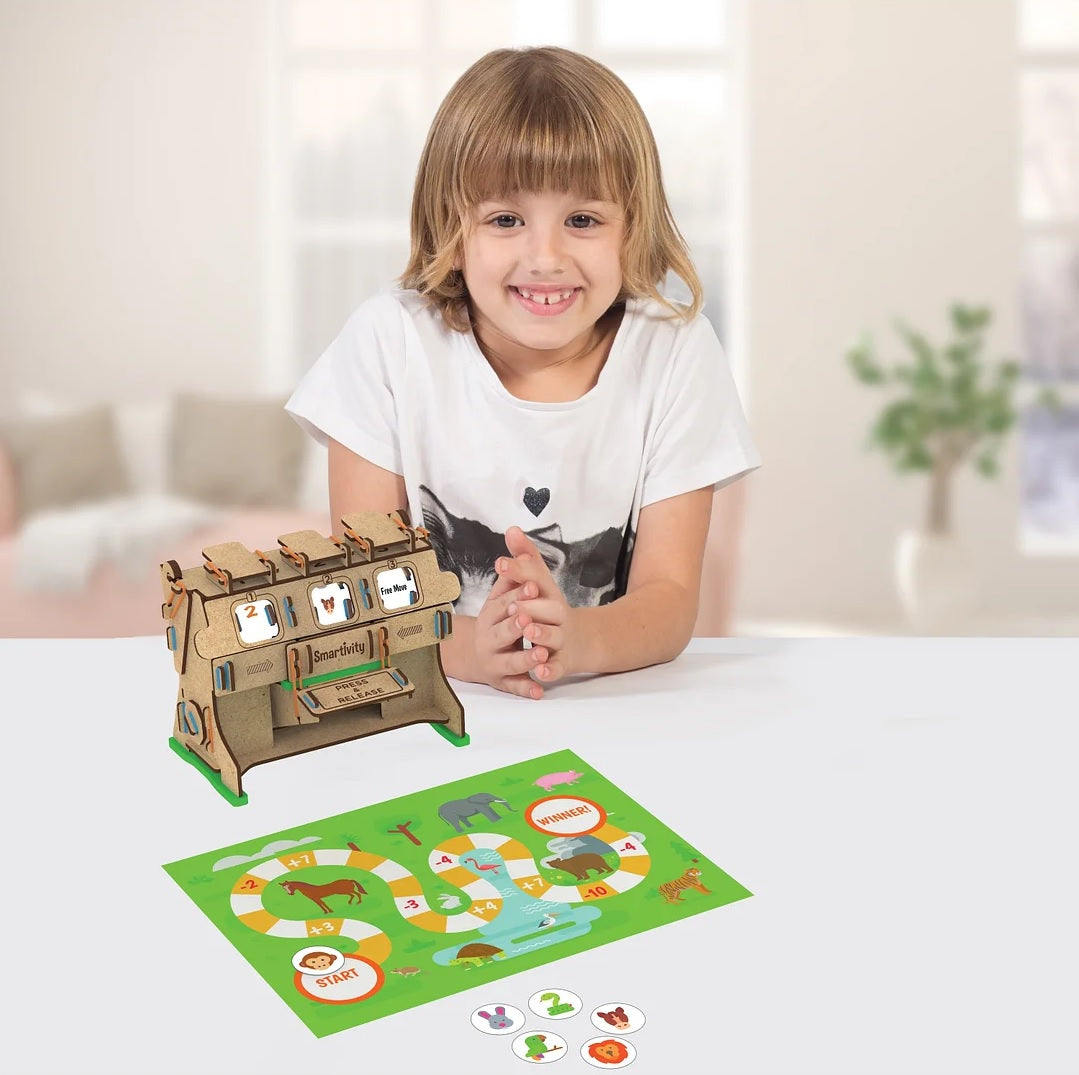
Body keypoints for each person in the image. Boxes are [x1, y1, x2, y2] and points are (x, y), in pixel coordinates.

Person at [286, 46, 759, 701]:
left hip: (608, 706)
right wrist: (473, 652)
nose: (545, 257)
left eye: (582, 220)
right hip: (434, 702)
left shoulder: (675, 351)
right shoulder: (387, 343)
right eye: (505, 220)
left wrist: (578, 639)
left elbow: (670, 597)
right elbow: (365, 594)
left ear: (632, 228)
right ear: (451, 230)